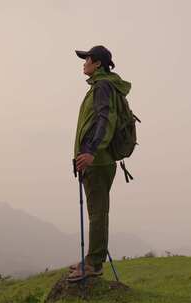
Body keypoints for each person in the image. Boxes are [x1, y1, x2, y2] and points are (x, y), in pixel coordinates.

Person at [68, 45, 132, 282]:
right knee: (97, 211)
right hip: (95, 160)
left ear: (97, 64)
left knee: (98, 213)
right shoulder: (102, 86)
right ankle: (91, 259)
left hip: (98, 160)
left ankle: (94, 263)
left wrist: (92, 151)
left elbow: (106, 119)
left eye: (87, 59)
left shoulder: (103, 86)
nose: (84, 63)